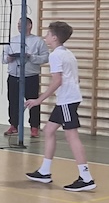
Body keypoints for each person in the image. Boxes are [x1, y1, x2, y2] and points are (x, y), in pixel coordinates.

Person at [24, 21, 96, 191]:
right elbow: (76, 78)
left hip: (67, 100)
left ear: (55, 38)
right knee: (49, 130)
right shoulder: (68, 53)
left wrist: (39, 100)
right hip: (67, 99)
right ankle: (44, 171)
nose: (45, 37)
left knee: (72, 136)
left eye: (48, 34)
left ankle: (86, 177)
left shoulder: (55, 55)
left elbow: (57, 81)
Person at [3, 17, 49, 138]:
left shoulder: (38, 41)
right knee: (13, 101)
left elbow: (45, 57)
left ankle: (34, 127)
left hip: (30, 77)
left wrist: (31, 57)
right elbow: (3, 58)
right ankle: (14, 125)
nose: (19, 26)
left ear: (29, 25)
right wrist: (9, 58)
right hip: (14, 76)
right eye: (18, 24)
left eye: (22, 24)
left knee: (33, 102)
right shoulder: (12, 40)